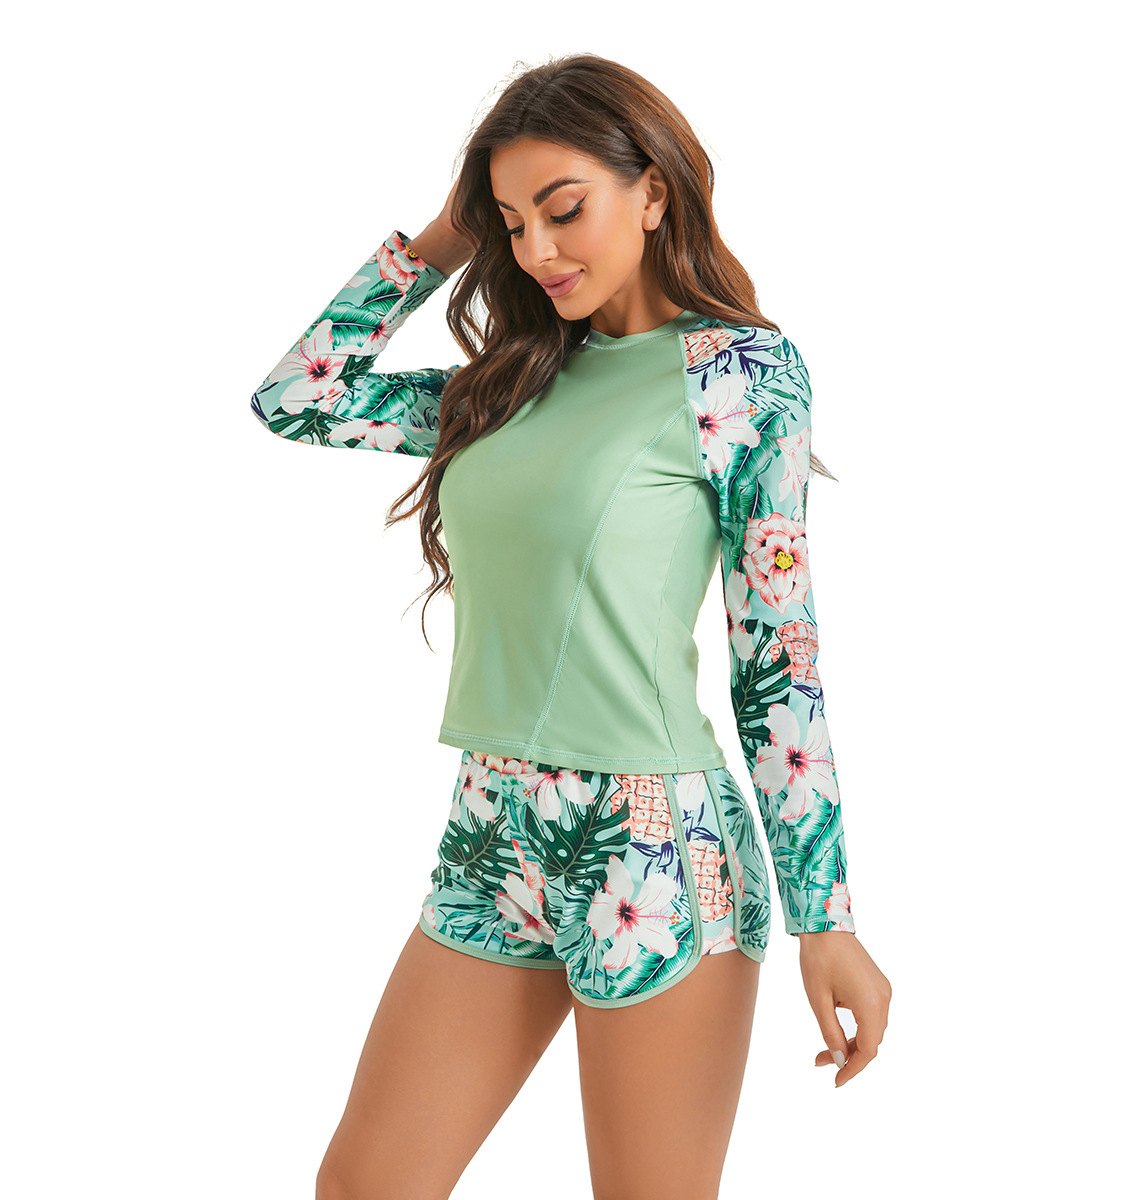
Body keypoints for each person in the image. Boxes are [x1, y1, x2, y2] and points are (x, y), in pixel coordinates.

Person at [251, 51, 891, 1200]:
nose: (538, 250)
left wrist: (825, 916)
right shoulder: (513, 381)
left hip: (657, 846)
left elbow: (776, 656)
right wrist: (443, 239)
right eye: (512, 223)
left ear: (654, 192)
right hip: (491, 832)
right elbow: (301, 398)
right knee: (364, 1187)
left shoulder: (739, 374)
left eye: (564, 209)